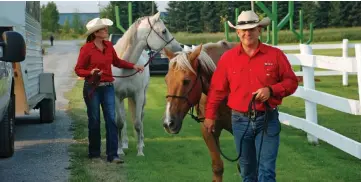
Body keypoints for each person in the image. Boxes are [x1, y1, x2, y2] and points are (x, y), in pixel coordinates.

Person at [203, 11, 299, 182]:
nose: (248, 33)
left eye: (252, 29)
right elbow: (217, 90)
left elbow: (291, 82)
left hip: (267, 120)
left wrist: (271, 89)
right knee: (247, 172)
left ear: (259, 30)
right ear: (238, 32)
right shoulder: (228, 59)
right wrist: (209, 116)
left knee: (266, 171)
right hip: (240, 122)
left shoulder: (275, 55)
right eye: (244, 30)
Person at [74, 18, 144, 163]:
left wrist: (133, 66)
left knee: (111, 120)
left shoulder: (108, 46)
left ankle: (112, 155)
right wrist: (91, 72)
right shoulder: (86, 49)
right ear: (96, 33)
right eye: (104, 29)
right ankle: (94, 153)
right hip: (92, 89)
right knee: (94, 121)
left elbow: (117, 62)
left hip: (108, 88)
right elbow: (78, 70)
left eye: (106, 28)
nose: (106, 31)